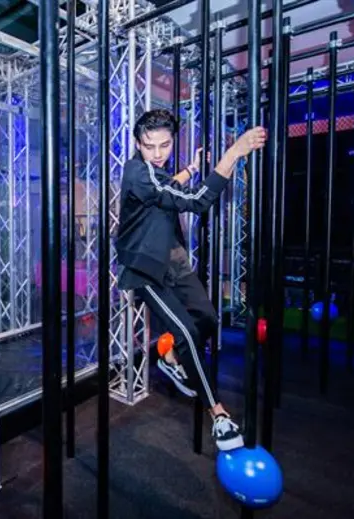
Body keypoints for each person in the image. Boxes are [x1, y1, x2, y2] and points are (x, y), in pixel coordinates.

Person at [115, 108, 266, 451]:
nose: (157, 153)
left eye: (165, 145)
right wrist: (234, 153)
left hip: (174, 261)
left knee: (209, 319)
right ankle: (219, 414)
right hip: (144, 268)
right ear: (138, 144)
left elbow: (166, 187)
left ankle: (170, 359)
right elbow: (196, 201)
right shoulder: (137, 171)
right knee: (185, 332)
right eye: (149, 146)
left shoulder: (155, 174)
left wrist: (192, 169)